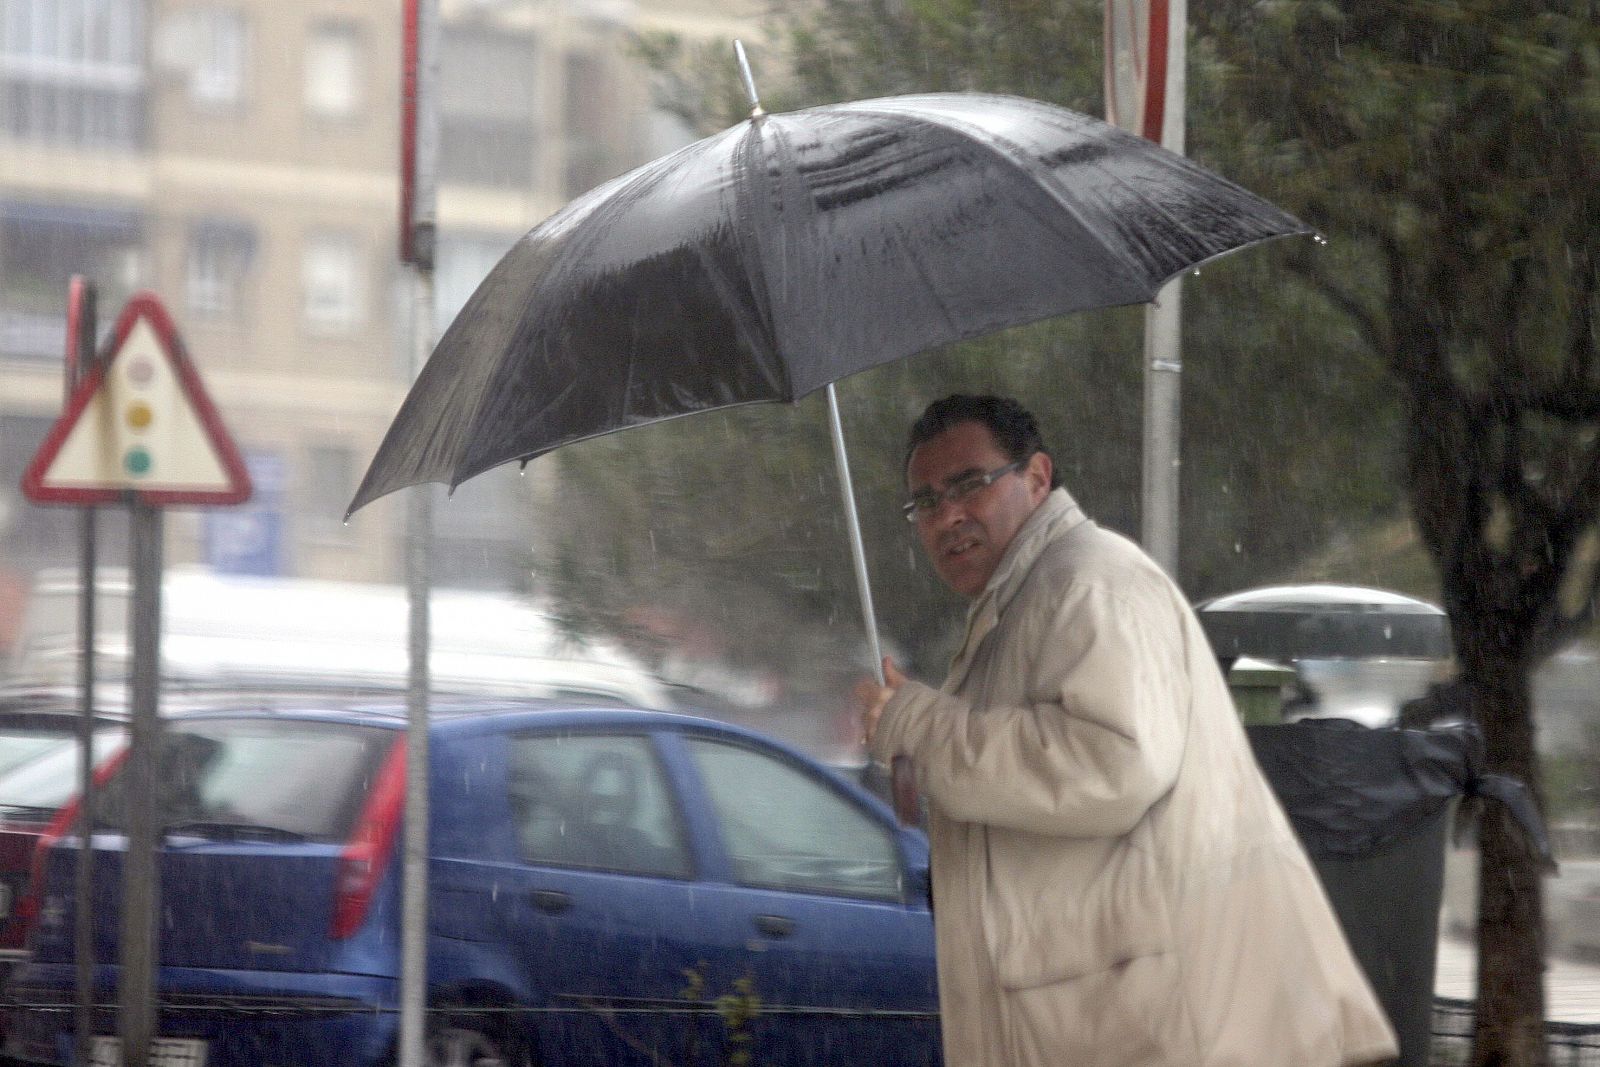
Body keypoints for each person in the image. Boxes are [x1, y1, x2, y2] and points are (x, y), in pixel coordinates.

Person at [856, 395, 1397, 1067]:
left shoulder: (1091, 581)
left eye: (969, 484)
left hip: (1165, 1025)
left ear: (1037, 476)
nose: (947, 516)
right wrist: (924, 758)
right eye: (926, 501)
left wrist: (926, 727)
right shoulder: (1023, 602)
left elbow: (1116, 763)